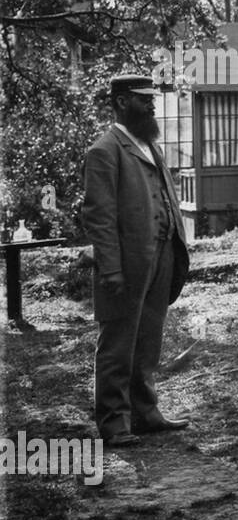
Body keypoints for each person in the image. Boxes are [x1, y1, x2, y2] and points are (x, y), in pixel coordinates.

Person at [81, 73, 192, 448]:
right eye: (142, 99)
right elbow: (99, 218)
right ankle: (114, 424)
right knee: (118, 343)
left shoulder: (148, 146)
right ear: (120, 103)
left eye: (152, 99)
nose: (151, 104)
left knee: (148, 339)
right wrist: (110, 267)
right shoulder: (104, 150)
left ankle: (146, 414)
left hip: (160, 254)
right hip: (125, 265)